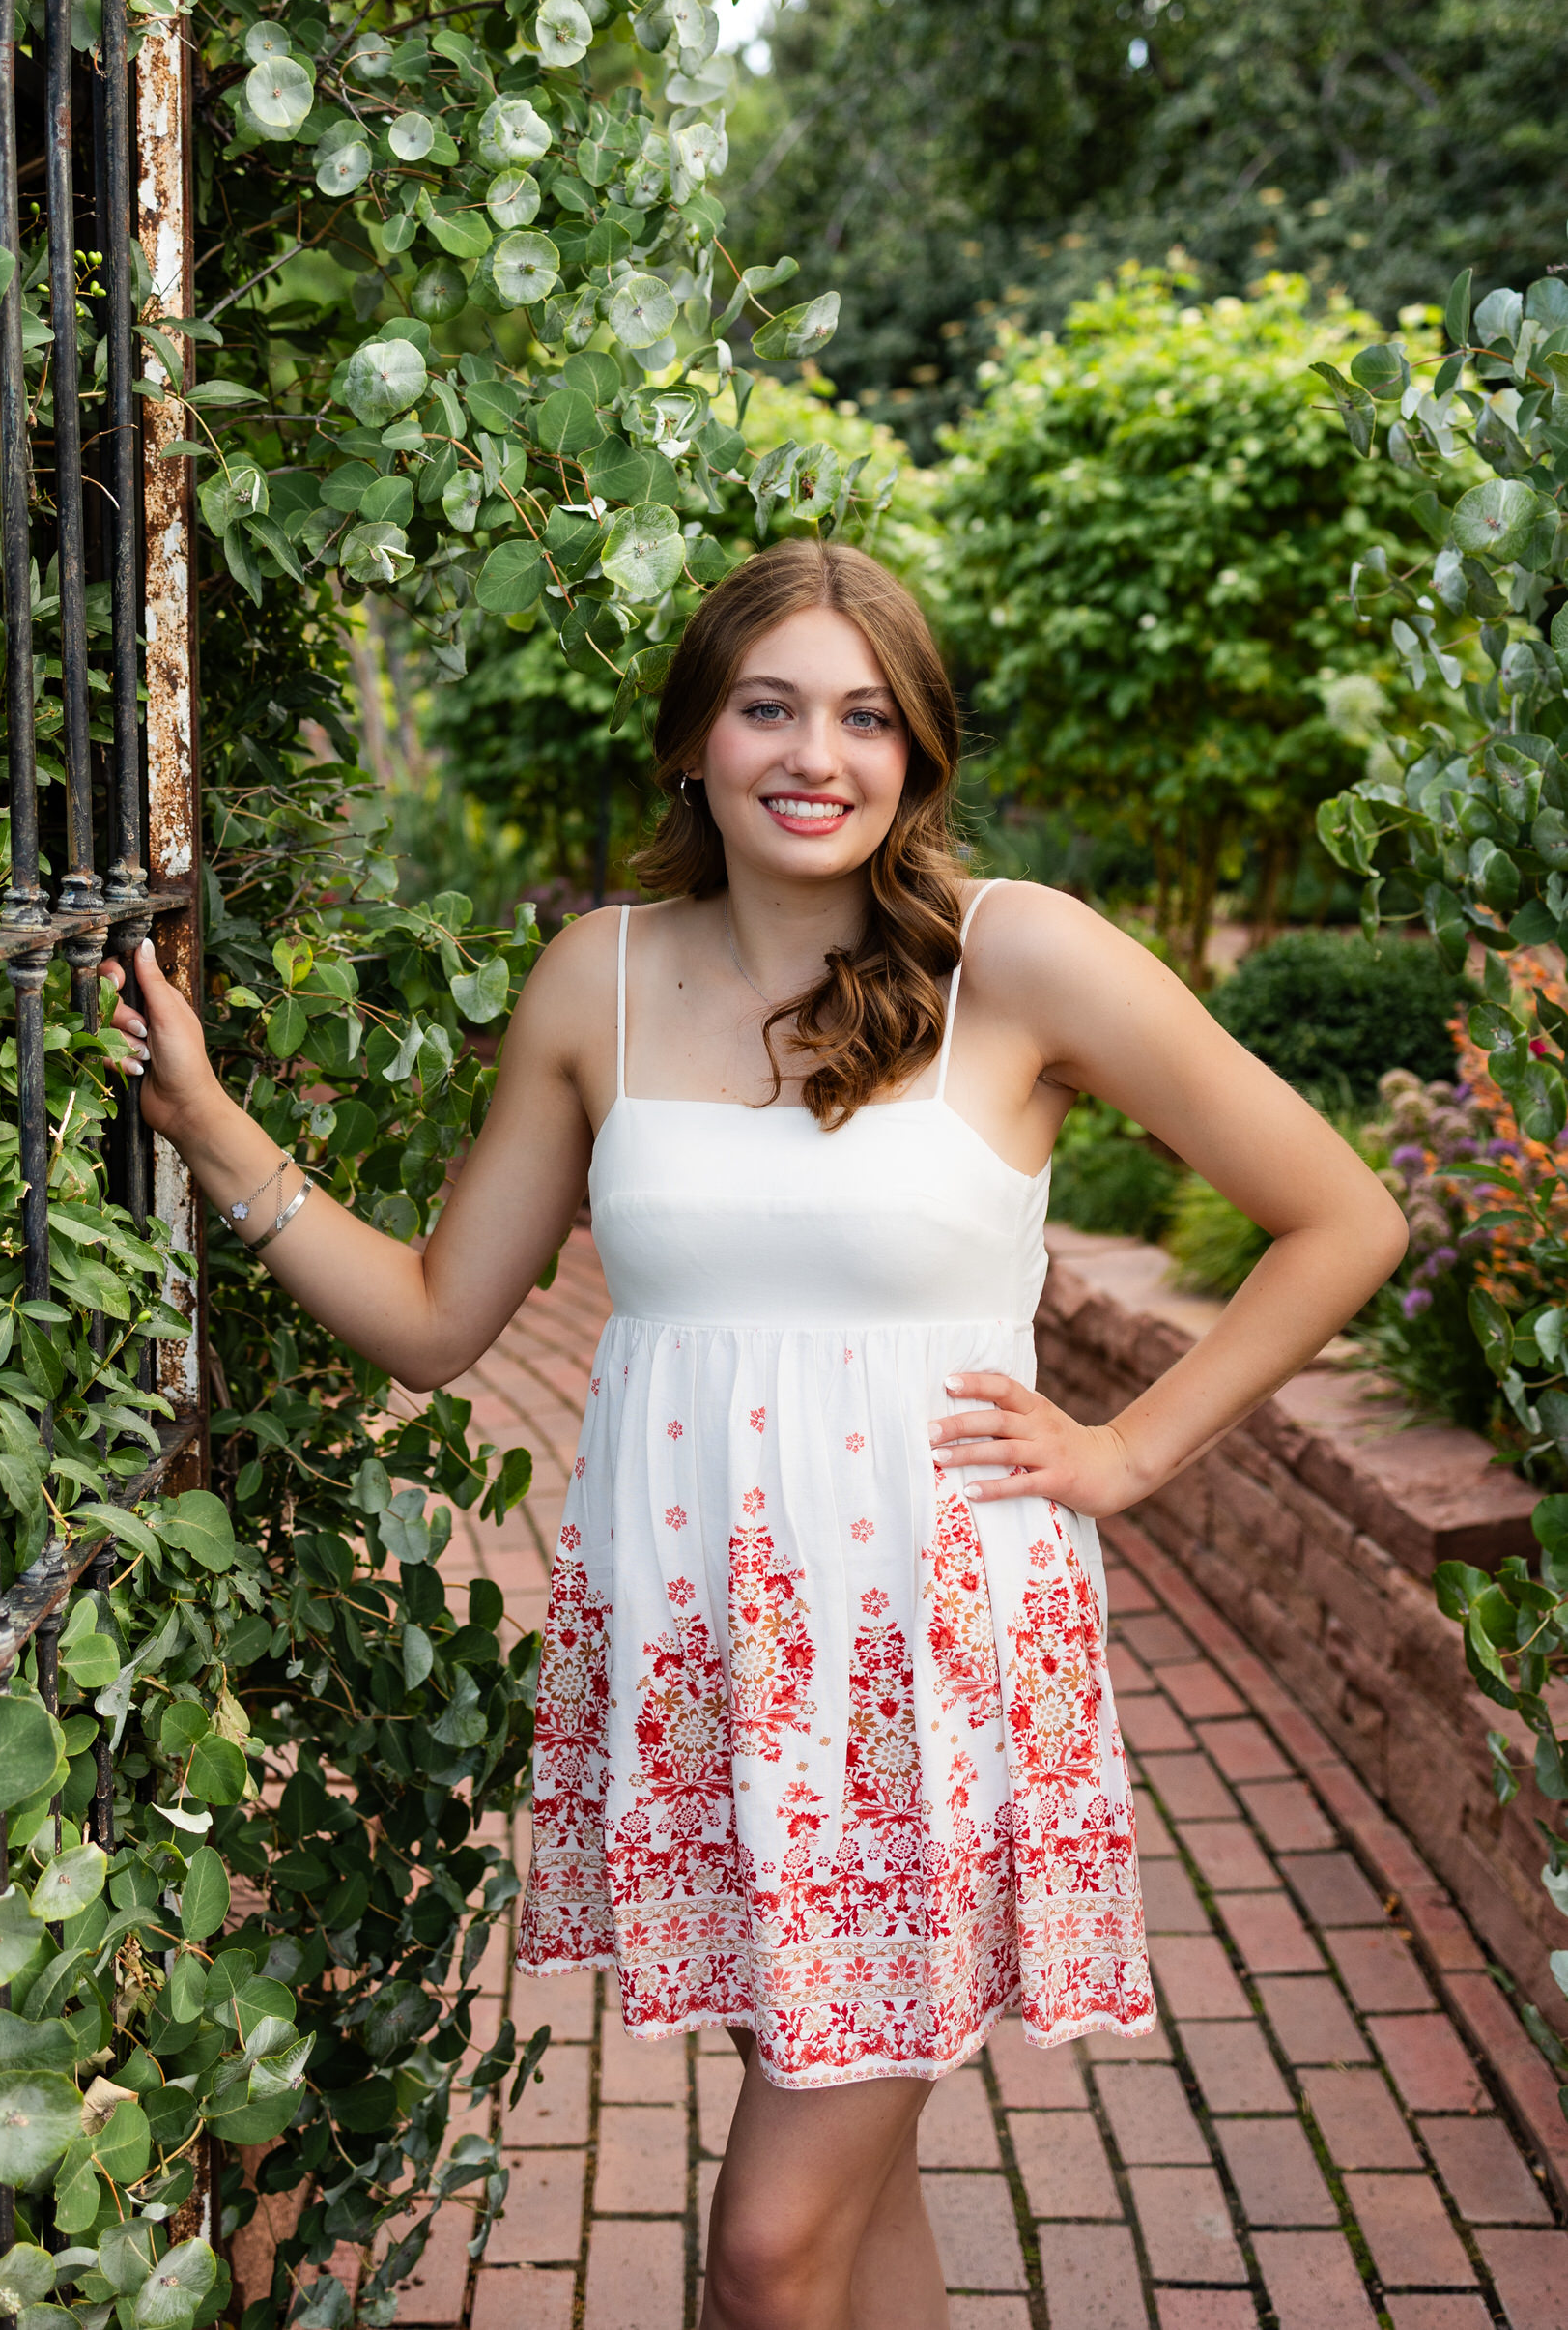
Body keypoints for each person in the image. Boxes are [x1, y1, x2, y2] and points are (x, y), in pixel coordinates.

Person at [101, 538, 1408, 2330]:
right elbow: (430, 1320)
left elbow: (1344, 1217)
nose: (820, 756)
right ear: (694, 743)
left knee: (768, 2249)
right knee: (851, 2220)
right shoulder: (601, 979)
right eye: (771, 707)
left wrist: (1130, 1452)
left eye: (868, 717)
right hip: (709, 1663)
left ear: (918, 754)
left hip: (922, 1674)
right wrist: (219, 1139)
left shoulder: (1017, 959)